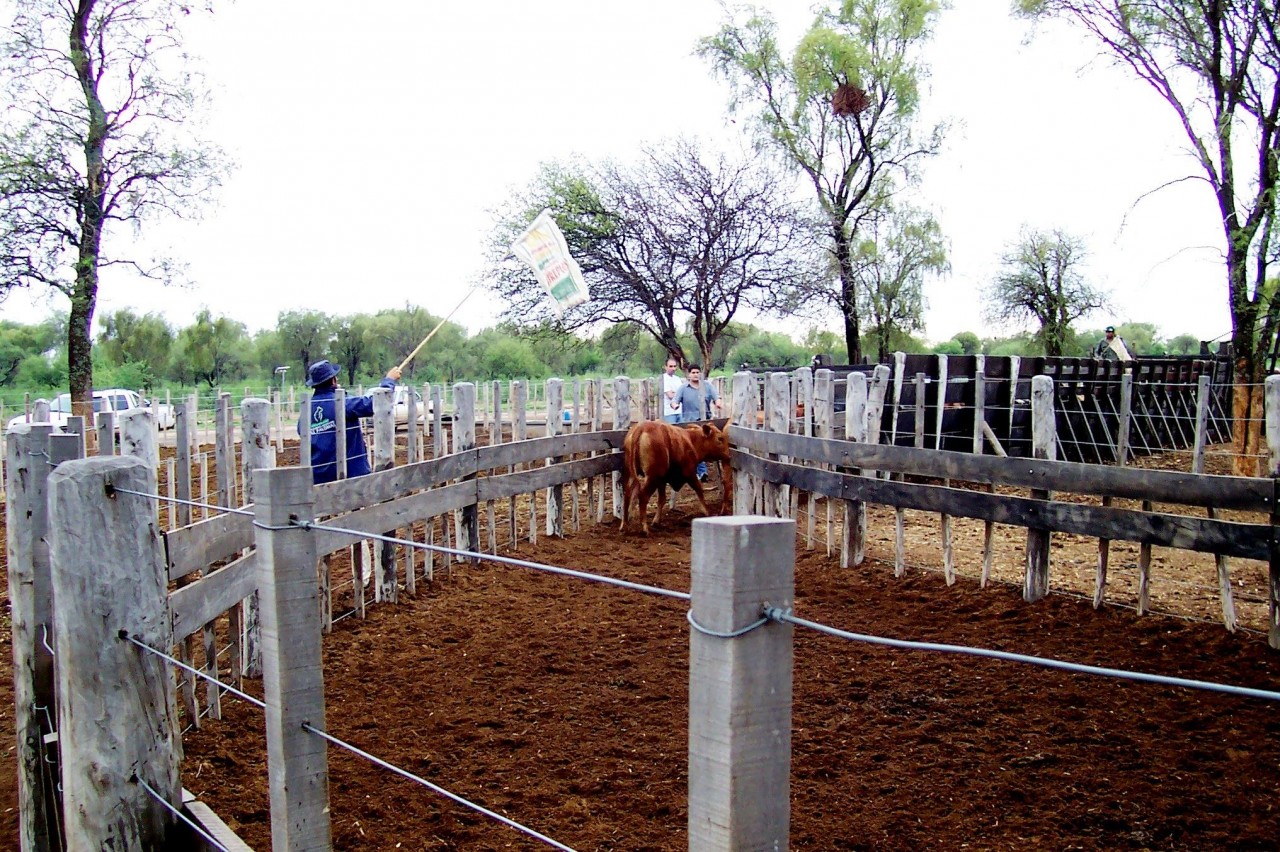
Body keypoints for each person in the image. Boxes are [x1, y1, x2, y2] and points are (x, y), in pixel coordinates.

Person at [299, 359, 402, 484]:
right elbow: (375, 403)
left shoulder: (308, 409)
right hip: (350, 476)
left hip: (317, 478)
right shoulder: (342, 403)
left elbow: (301, 431)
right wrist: (389, 381)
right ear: (333, 380)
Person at [677, 365, 722, 481]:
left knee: (706, 446)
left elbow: (716, 396)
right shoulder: (683, 388)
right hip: (690, 424)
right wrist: (674, 405)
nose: (695, 374)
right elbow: (675, 401)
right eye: (693, 372)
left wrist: (718, 402)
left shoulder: (707, 386)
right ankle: (701, 473)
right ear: (689, 375)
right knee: (693, 449)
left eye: (697, 372)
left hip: (705, 423)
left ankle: (702, 472)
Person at [661, 358, 682, 424]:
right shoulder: (663, 378)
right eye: (670, 366)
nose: (673, 368)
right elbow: (670, 395)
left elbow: (682, 393)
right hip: (669, 412)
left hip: (679, 410)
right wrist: (678, 393)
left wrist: (674, 392)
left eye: (674, 366)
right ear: (665, 367)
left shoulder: (677, 379)